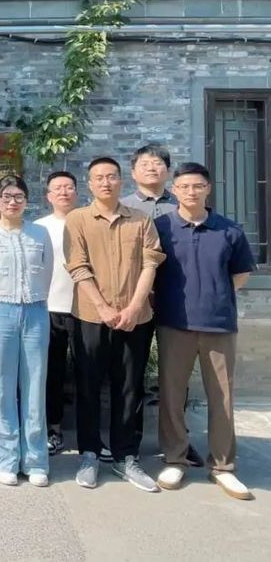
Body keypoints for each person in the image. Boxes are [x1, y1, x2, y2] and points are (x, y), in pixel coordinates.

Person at [153, 163, 256, 500]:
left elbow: (240, 274)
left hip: (218, 324)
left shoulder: (229, 230)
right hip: (174, 323)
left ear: (208, 189)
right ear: (175, 190)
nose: (191, 192)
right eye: (184, 186)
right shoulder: (162, 228)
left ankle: (223, 466)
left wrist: (215, 296)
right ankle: (175, 458)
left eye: (197, 186)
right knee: (171, 395)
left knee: (222, 397)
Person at [65, 157, 165, 492]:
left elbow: (151, 263)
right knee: (88, 386)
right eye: (99, 177)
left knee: (129, 387)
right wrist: (103, 307)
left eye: (111, 176)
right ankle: (90, 453)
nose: (106, 182)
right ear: (89, 184)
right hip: (91, 317)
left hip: (136, 319)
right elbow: (78, 266)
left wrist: (135, 307)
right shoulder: (78, 219)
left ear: (121, 181)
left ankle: (126, 456)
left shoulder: (140, 219)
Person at [119, 144, 202, 466]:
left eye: (158, 163)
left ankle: (179, 442)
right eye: (145, 163)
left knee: (175, 378)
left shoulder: (183, 206)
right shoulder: (123, 207)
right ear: (133, 172)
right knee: (130, 374)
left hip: (175, 301)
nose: (152, 168)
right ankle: (128, 441)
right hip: (134, 303)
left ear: (168, 170)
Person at [0, 176, 53, 486]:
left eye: (18, 196)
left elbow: (47, 273)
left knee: (35, 384)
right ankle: (5, 457)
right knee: (2, 384)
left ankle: (35, 459)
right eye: (6, 196)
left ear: (27, 200)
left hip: (36, 310)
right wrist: (0, 300)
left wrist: (34, 298)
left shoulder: (39, 233)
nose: (12, 202)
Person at [34, 171, 78, 457]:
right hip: (49, 308)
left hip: (85, 309)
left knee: (89, 371)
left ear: (77, 191)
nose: (64, 192)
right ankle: (53, 428)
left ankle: (89, 433)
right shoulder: (39, 227)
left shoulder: (87, 221)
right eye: (58, 188)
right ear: (48, 195)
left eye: (69, 187)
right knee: (51, 372)